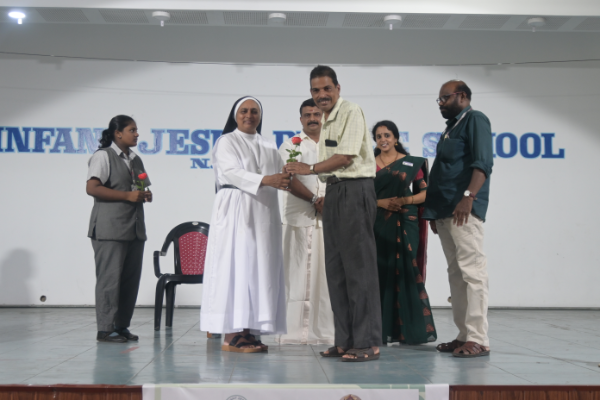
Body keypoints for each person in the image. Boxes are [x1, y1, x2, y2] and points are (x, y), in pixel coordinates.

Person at [286, 66, 382, 362]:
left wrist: (310, 169)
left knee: (359, 270)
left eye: (327, 88)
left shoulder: (350, 111)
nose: (322, 95)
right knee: (337, 270)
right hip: (335, 191)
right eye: (316, 90)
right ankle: (345, 340)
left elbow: (346, 156)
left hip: (355, 189)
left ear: (337, 88)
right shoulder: (326, 120)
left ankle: (367, 343)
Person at [200, 96, 291, 353]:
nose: (249, 115)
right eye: (243, 111)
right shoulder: (226, 141)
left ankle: (249, 330)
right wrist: (268, 179)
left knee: (260, 269)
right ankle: (231, 334)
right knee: (237, 266)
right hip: (236, 209)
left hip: (264, 211)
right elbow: (231, 172)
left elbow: (281, 175)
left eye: (254, 111)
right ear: (235, 115)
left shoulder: (269, 144)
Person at [423, 80, 493, 358]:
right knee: (456, 275)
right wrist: (433, 211)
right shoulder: (451, 128)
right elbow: (442, 172)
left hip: (463, 209)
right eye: (439, 100)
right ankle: (464, 335)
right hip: (445, 211)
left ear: (462, 96)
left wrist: (469, 197)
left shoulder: (475, 120)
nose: (440, 104)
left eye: (445, 98)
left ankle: (478, 338)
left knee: (473, 273)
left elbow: (483, 163)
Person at [86, 115, 152, 343]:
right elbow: (92, 188)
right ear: (118, 133)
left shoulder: (135, 159)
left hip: (134, 229)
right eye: (132, 130)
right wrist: (127, 195)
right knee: (109, 280)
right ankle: (105, 329)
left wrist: (145, 194)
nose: (137, 134)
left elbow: (141, 186)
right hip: (110, 229)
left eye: (136, 130)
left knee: (129, 281)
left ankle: (121, 326)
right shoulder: (103, 156)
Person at [372, 120, 437, 345]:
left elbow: (425, 193)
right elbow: (362, 195)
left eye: (387, 135)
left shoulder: (411, 163)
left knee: (406, 271)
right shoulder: (369, 164)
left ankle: (409, 330)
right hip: (377, 222)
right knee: (380, 271)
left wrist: (403, 200)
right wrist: (381, 203)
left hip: (405, 220)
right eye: (379, 136)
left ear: (396, 138)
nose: (383, 139)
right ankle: (381, 329)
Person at [276, 98, 334, 345]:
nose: (312, 118)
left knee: (327, 277)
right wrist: (313, 199)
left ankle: (326, 331)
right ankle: (293, 332)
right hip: (300, 219)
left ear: (324, 117)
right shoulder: (291, 144)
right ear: (301, 119)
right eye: (307, 115)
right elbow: (287, 179)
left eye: (316, 114)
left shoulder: (334, 143)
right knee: (296, 274)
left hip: (330, 220)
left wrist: (330, 202)